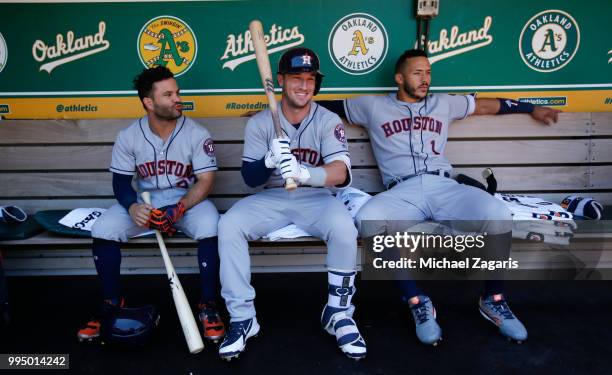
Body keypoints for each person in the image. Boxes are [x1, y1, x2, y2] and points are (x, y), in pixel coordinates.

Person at [318, 49, 561, 344]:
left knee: (497, 214)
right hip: (402, 190)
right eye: (417, 73)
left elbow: (486, 106)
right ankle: (417, 301)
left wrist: (530, 108)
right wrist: (275, 113)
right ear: (399, 77)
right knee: (369, 219)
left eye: (428, 73)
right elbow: (327, 108)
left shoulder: (442, 103)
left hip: (444, 185)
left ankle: (493, 299)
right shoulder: (372, 107)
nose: (425, 79)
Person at [217, 47, 366, 361]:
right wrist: (269, 160)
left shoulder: (327, 120)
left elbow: (341, 173)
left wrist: (305, 173)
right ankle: (243, 317)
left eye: (310, 79)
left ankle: (338, 313)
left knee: (344, 228)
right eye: (297, 78)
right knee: (229, 225)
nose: (304, 85)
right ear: (280, 81)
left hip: (316, 197)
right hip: (269, 198)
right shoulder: (259, 123)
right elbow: (250, 179)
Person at [77, 66, 225, 344]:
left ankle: (208, 304)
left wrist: (180, 208)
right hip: (145, 202)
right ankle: (111, 303)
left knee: (211, 224)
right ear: (149, 102)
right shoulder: (129, 136)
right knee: (104, 228)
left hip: (187, 199)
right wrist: (132, 207)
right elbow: (120, 184)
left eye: (177, 92)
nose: (177, 98)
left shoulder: (196, 132)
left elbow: (205, 182)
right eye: (168, 94)